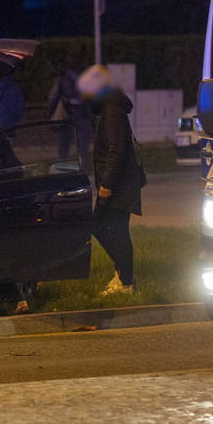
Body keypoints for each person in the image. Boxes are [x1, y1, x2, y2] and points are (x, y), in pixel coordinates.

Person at [76, 64, 143, 296]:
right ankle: (124, 273)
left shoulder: (111, 110)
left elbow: (117, 149)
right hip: (117, 182)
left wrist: (107, 184)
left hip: (118, 184)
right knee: (103, 227)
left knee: (115, 229)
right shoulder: (105, 109)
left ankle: (125, 282)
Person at [47, 57, 92, 171]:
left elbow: (53, 98)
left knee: (63, 151)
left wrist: (50, 114)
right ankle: (83, 176)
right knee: (82, 152)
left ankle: (64, 176)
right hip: (82, 117)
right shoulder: (87, 79)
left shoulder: (62, 79)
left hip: (66, 117)